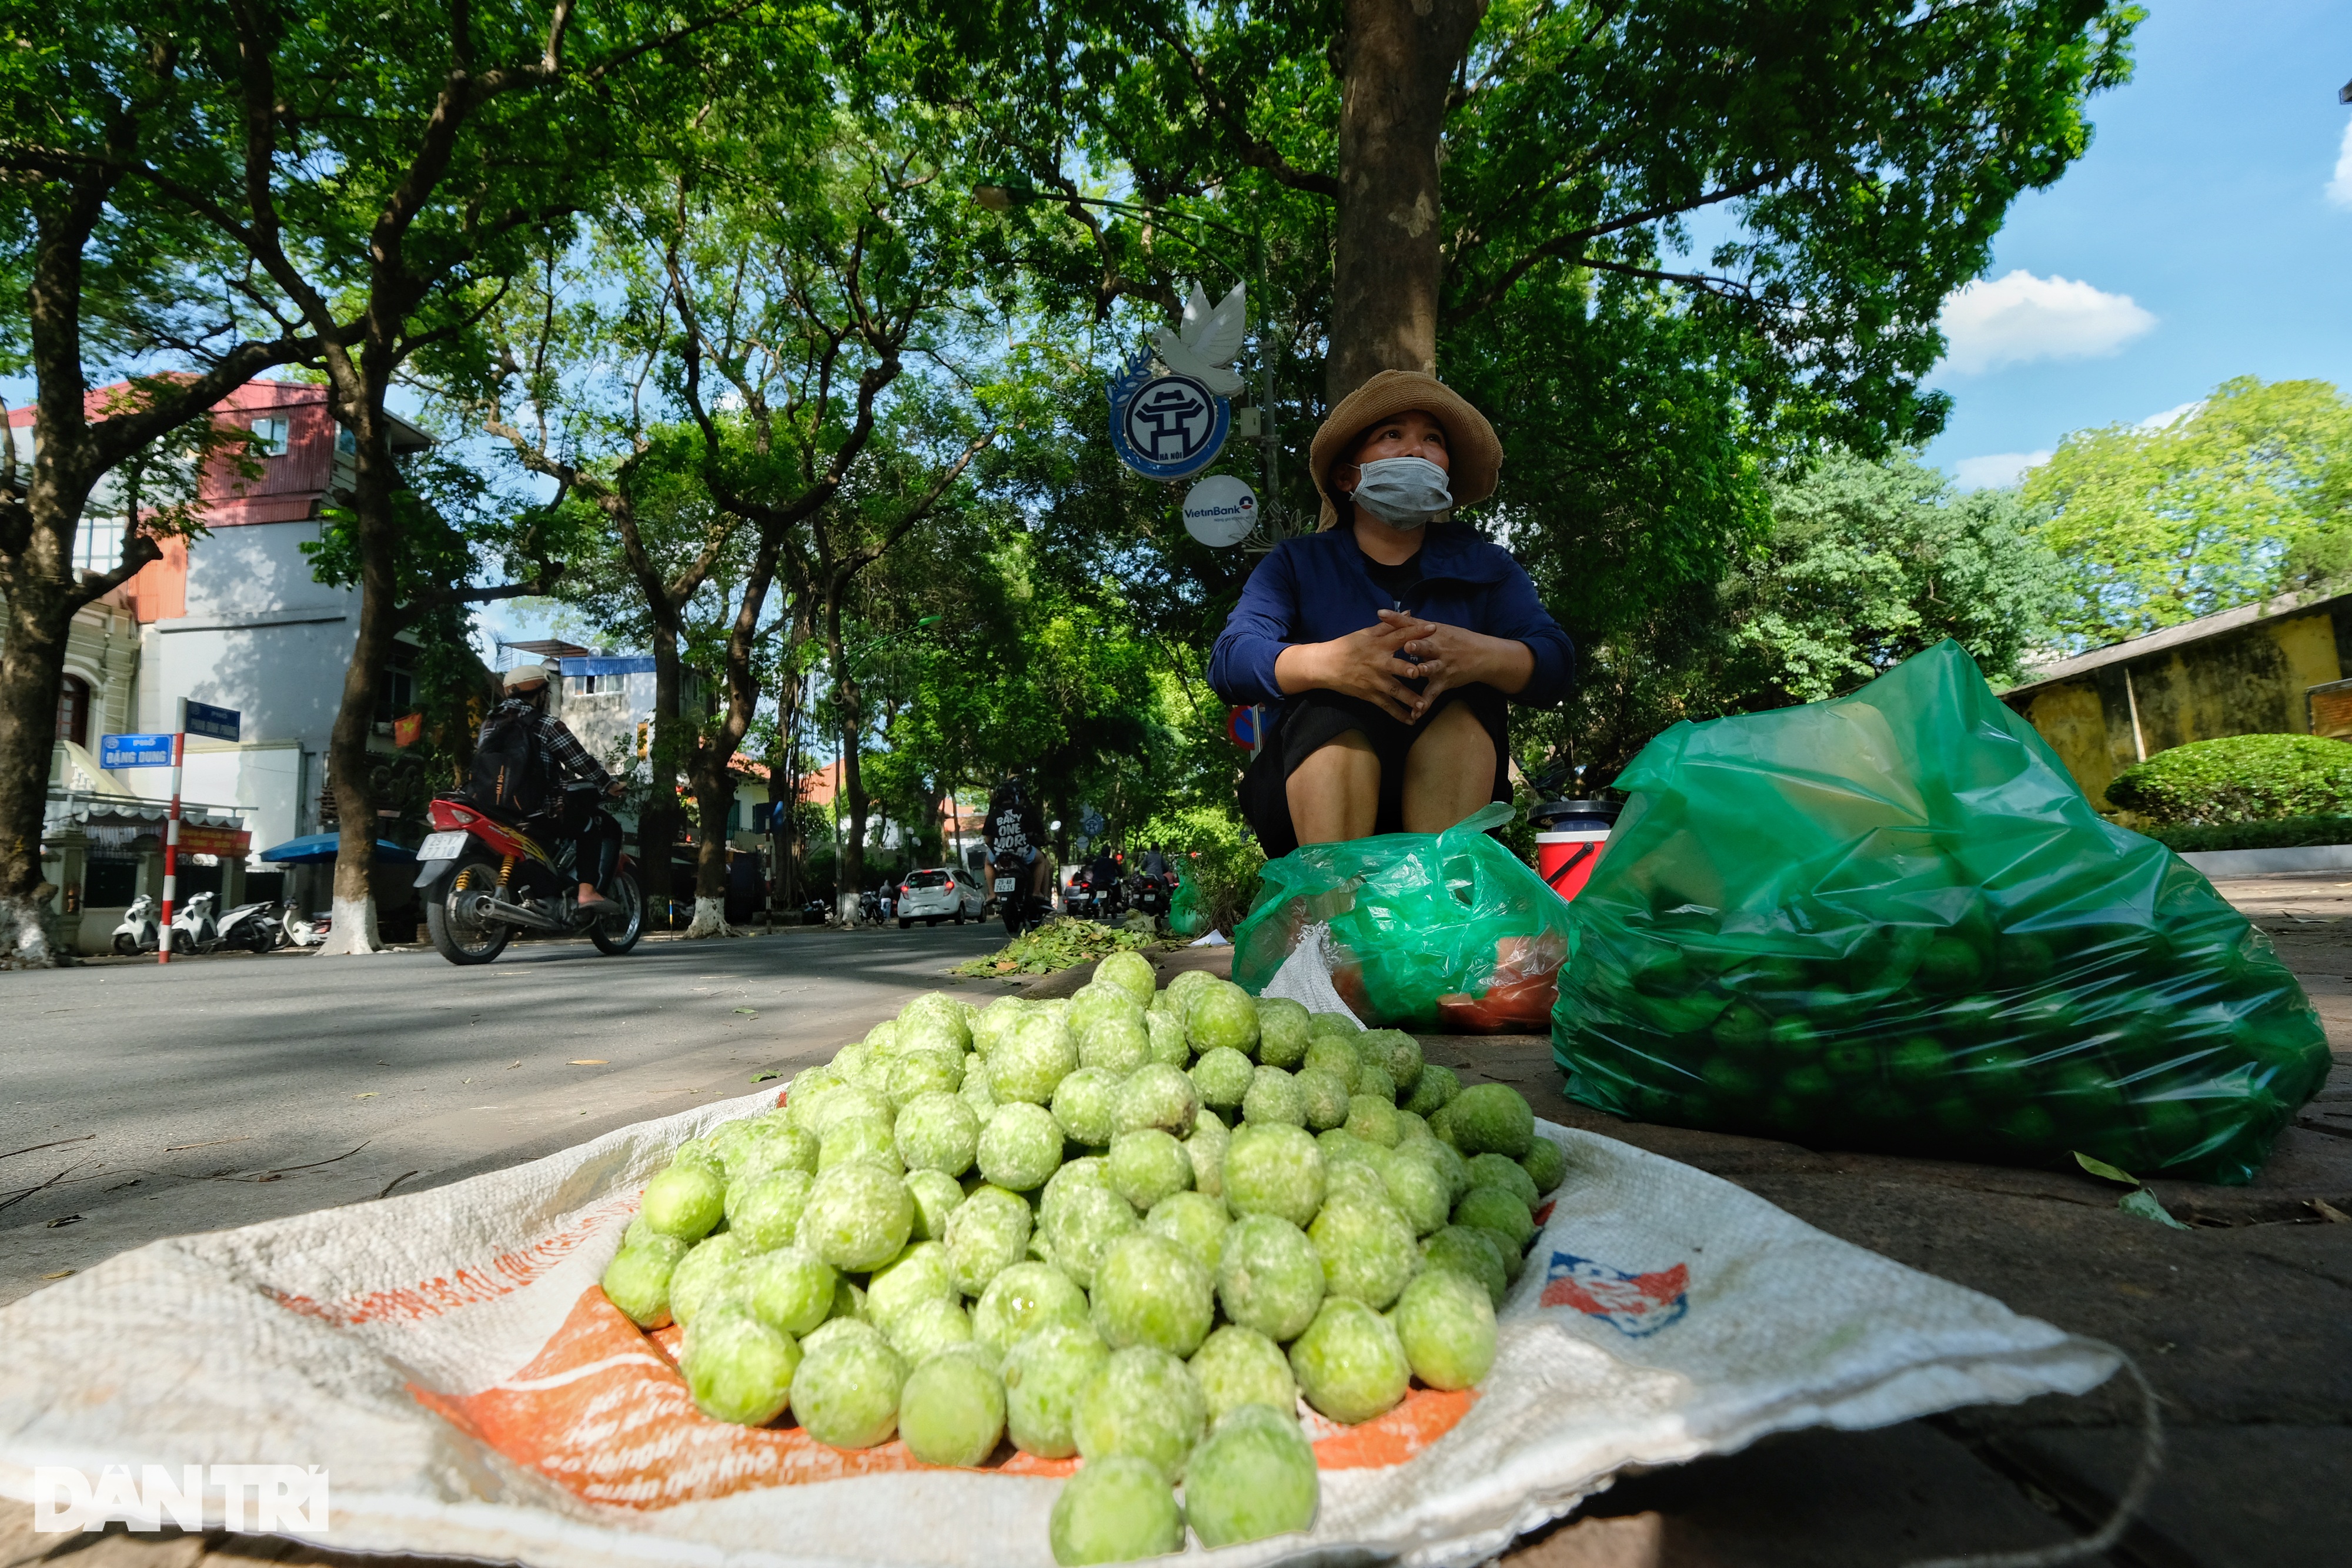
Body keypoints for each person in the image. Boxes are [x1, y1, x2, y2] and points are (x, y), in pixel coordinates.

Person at [1208, 370, 1574, 853]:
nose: (1416, 450)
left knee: (1467, 702)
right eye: (1392, 434)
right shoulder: (1297, 564)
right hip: (1309, 809)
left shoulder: (1486, 565)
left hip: (1453, 803)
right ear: (1347, 475)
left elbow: (1556, 663)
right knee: (1327, 703)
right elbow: (1230, 660)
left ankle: (1435, 910)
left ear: (1446, 469)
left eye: (1433, 439)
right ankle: (1332, 907)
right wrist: (1331, 663)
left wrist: (1480, 656)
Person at [477, 663, 626, 914]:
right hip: (536, 810)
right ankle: (586, 892)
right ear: (540, 692)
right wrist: (609, 784)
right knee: (589, 827)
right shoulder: (545, 724)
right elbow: (580, 761)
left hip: (494, 810)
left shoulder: (489, 725)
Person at [984, 775, 1051, 920]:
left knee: (988, 863)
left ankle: (991, 894)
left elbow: (987, 838)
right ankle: (1037, 892)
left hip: (1000, 853)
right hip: (1021, 852)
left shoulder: (994, 814)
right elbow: (1030, 833)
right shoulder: (1023, 811)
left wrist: (997, 846)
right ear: (1014, 797)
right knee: (1041, 861)